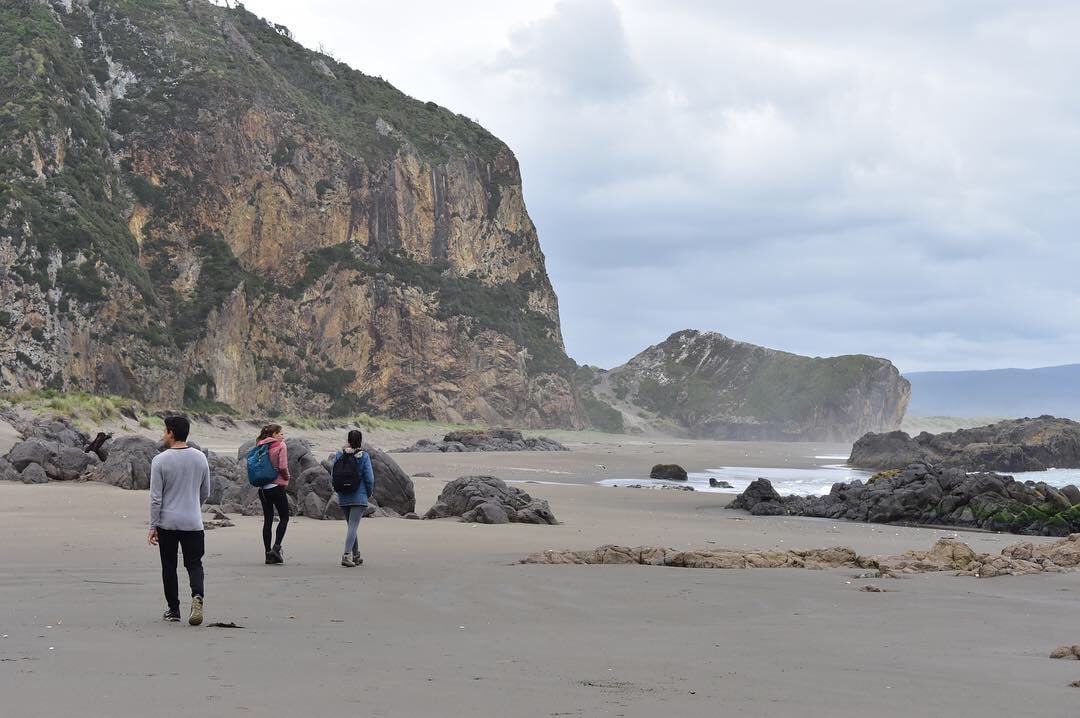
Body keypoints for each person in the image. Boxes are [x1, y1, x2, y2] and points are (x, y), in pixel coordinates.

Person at [148, 415, 210, 625]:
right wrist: (193, 506)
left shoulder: (160, 460)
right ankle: (197, 595)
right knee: (194, 564)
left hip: (168, 522)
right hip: (193, 522)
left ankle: (174, 610)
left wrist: (153, 526)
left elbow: (156, 498)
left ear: (171, 433)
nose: (163, 435)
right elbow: (206, 491)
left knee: (169, 566)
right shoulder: (200, 458)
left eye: (164, 431)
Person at [331, 429, 375, 568]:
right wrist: (368, 493)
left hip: (343, 495)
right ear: (360, 440)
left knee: (351, 526)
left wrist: (338, 490)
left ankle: (355, 555)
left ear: (348, 440)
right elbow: (369, 478)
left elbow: (333, 474)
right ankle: (346, 555)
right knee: (353, 526)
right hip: (359, 495)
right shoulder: (364, 456)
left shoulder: (340, 454)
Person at [254, 424, 291, 564]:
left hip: (263, 489)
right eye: (281, 433)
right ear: (274, 434)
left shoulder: (260, 446)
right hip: (276, 486)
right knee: (284, 517)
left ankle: (267, 554)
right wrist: (287, 477)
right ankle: (276, 548)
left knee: (268, 521)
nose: (283, 436)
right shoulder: (281, 445)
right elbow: (282, 466)